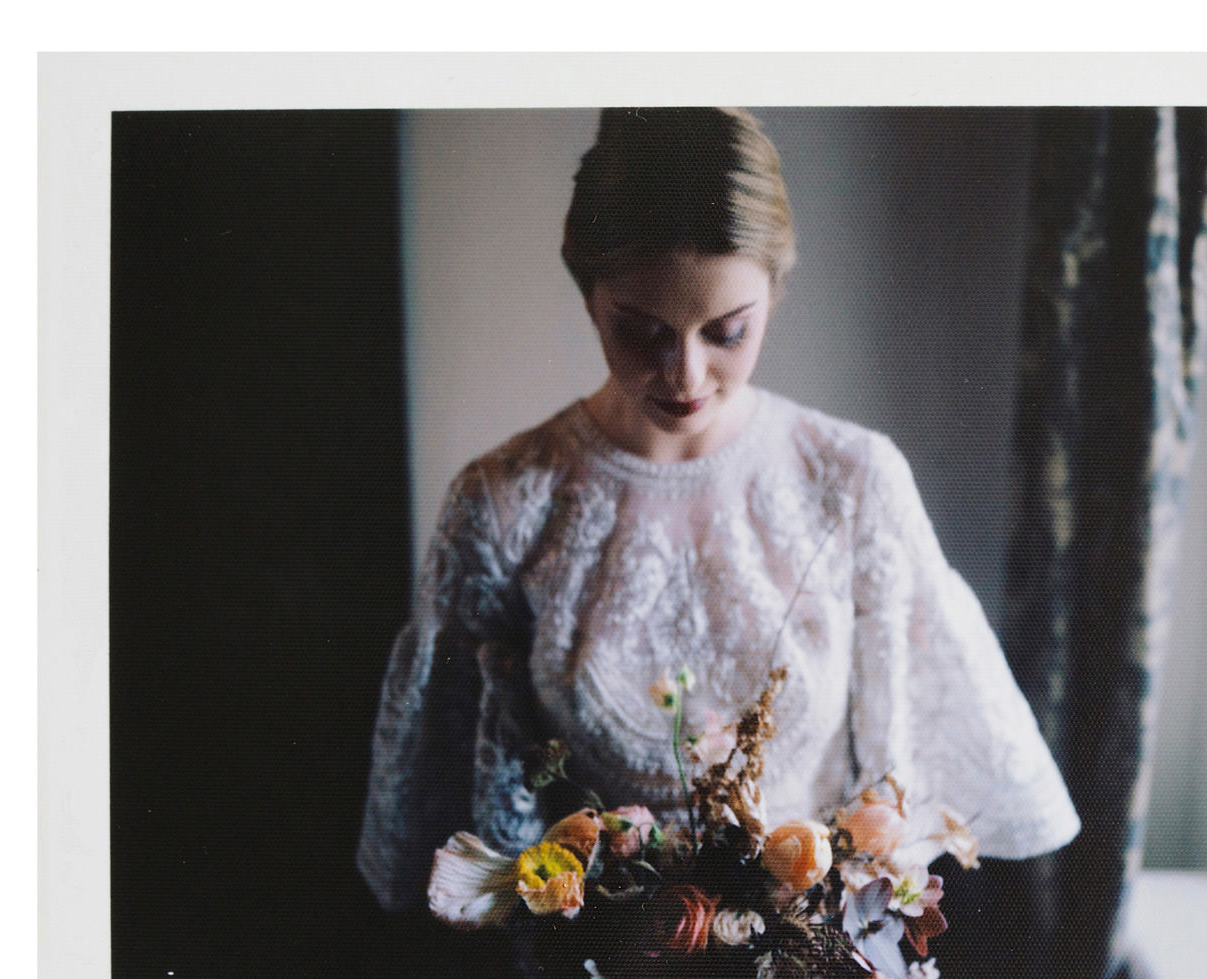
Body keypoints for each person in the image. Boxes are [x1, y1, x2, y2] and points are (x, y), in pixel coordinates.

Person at [357, 107, 1079, 913]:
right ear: (588, 292)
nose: (685, 374)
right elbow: (455, 832)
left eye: (728, 332)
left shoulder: (853, 482)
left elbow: (908, 802)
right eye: (643, 331)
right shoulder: (502, 507)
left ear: (774, 290)